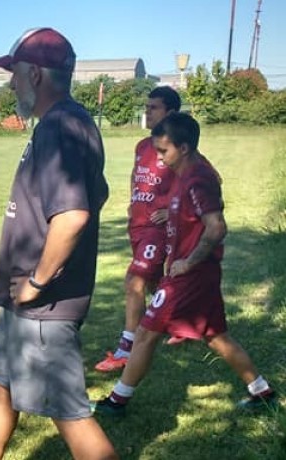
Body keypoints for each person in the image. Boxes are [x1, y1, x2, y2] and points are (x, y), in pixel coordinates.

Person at [0, 28, 117, 459]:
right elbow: (99, 191)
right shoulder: (68, 123)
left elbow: (74, 215)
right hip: (24, 301)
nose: (11, 82)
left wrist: (37, 282)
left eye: (15, 73)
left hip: (42, 304)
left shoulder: (61, 127)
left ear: (35, 74)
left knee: (70, 414)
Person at [93, 113, 278, 415]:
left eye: (164, 151)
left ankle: (116, 401)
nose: (160, 158)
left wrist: (188, 262)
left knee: (147, 331)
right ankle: (262, 391)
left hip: (189, 277)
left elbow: (217, 227)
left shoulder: (198, 179)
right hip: (196, 276)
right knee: (216, 336)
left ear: (185, 147)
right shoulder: (183, 175)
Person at [94, 86, 182, 372]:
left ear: (170, 112)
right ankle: (178, 324)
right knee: (155, 279)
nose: (147, 111)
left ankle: (126, 346)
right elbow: (137, 175)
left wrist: (171, 210)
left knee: (134, 281)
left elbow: (205, 182)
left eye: (154, 107)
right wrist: (133, 202)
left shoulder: (180, 147)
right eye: (147, 106)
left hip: (158, 228)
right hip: (138, 224)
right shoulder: (143, 145)